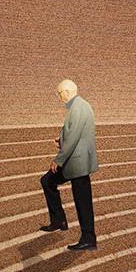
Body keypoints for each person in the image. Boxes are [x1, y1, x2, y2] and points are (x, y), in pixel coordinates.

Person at [39, 79, 99, 250]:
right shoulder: (80, 106)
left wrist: (58, 159)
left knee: (83, 202)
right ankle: (59, 220)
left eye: (60, 93)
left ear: (67, 91)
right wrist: (62, 139)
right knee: (47, 181)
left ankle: (89, 239)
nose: (60, 97)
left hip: (77, 162)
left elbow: (73, 138)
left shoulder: (78, 107)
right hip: (75, 160)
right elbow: (74, 132)